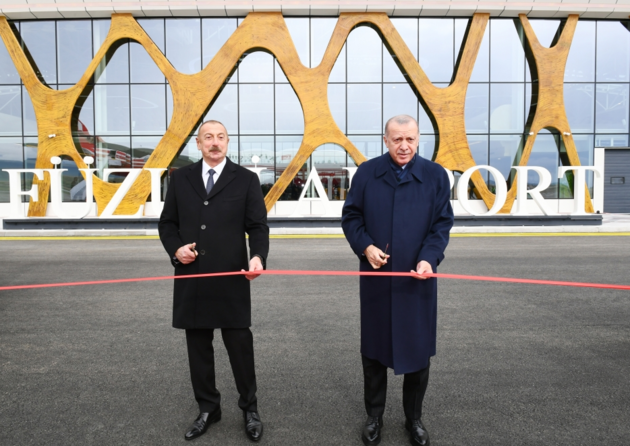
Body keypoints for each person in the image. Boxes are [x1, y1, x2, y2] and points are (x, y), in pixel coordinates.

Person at [341, 115, 454, 446]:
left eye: (410, 139)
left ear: (418, 139)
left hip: (417, 282)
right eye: (397, 140)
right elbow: (351, 217)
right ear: (385, 140)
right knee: (374, 354)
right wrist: (365, 246)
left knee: (418, 354)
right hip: (376, 280)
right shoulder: (367, 174)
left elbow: (442, 225)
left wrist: (428, 258)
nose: (404, 146)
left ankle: (413, 419)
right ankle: (374, 417)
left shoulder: (434, 176)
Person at [158, 120, 269, 442]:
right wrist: (176, 250)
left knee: (240, 347)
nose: (215, 142)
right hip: (192, 277)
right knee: (198, 349)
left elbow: (258, 227)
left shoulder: (246, 180)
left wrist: (258, 257)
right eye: (209, 137)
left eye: (220, 137)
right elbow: (167, 224)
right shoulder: (180, 179)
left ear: (228, 142)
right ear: (198, 143)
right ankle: (208, 408)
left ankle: (250, 408)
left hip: (231, 278)